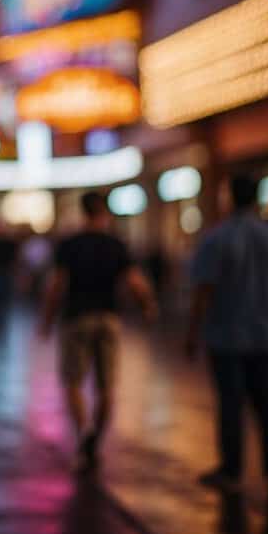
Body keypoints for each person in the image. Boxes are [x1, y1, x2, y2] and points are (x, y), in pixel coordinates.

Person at [186, 173, 268, 500]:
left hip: (227, 337)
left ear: (230, 197)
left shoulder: (216, 240)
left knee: (231, 405)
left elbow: (203, 291)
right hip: (267, 336)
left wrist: (193, 334)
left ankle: (231, 470)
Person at [39, 191, 158, 471]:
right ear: (105, 212)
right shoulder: (116, 245)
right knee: (106, 386)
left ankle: (85, 432)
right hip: (108, 319)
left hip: (76, 319)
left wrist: (46, 320)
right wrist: (148, 308)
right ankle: (96, 440)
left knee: (73, 383)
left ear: (83, 212)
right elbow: (136, 282)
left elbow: (57, 286)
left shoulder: (69, 245)